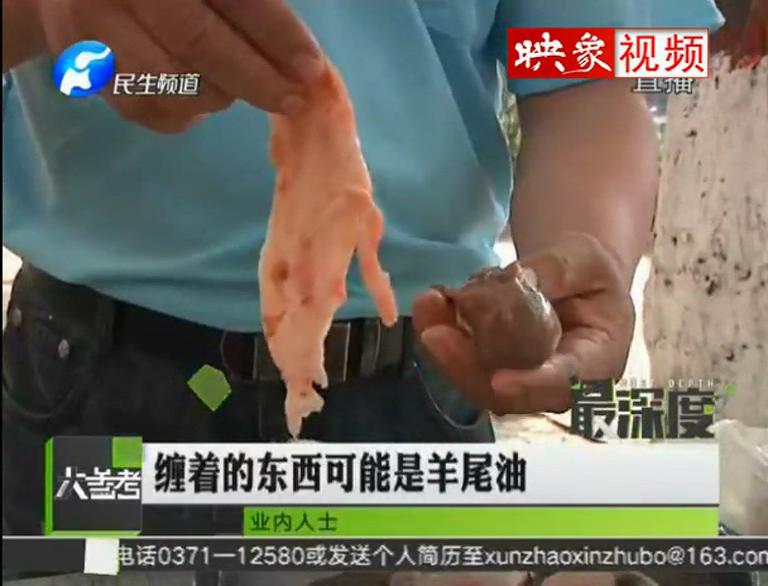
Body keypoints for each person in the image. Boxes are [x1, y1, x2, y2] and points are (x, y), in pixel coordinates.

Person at [3, 0, 725, 584]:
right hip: (92, 388)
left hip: (414, 389)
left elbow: (585, 78)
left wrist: (584, 256)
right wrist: (43, 13)